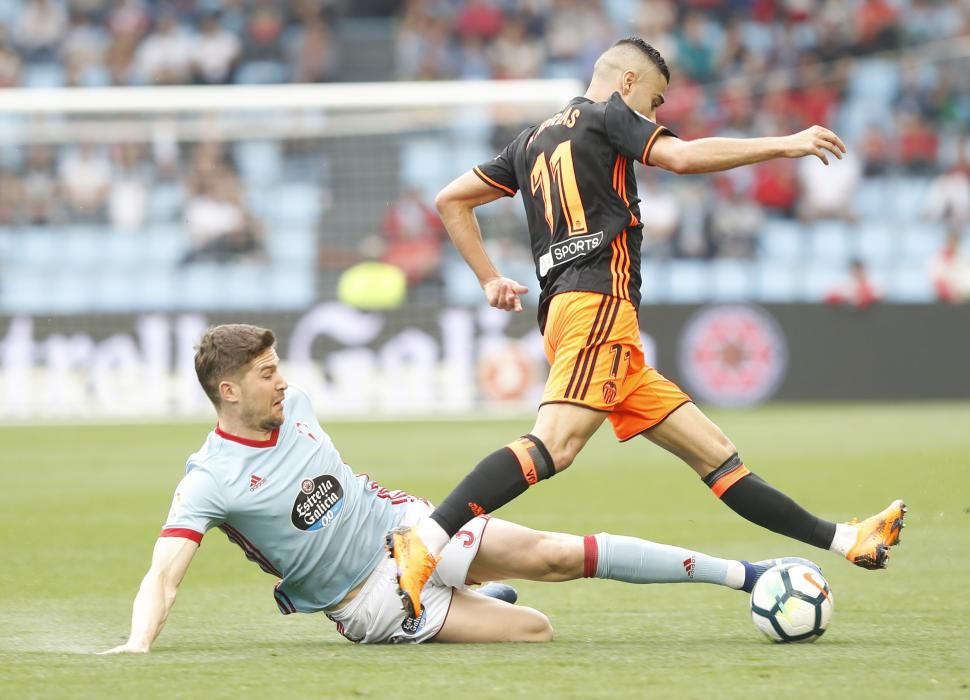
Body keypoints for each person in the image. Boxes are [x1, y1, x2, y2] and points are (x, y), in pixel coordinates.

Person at [388, 37, 906, 619]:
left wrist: (488, 277)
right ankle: (427, 540)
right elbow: (682, 160)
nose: (653, 118)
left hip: (577, 319)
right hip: (597, 306)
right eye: (655, 103)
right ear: (627, 83)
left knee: (718, 457)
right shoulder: (610, 114)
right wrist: (786, 144)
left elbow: (451, 199)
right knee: (554, 446)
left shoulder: (532, 140)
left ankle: (846, 539)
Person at [100, 323, 814, 651]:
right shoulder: (208, 482)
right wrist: (137, 648)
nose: (282, 378)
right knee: (535, 630)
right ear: (228, 391)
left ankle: (747, 575)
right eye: (265, 373)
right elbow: (163, 578)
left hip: (411, 530)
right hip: (371, 602)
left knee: (558, 554)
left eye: (279, 365)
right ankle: (477, 601)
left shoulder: (300, 406)